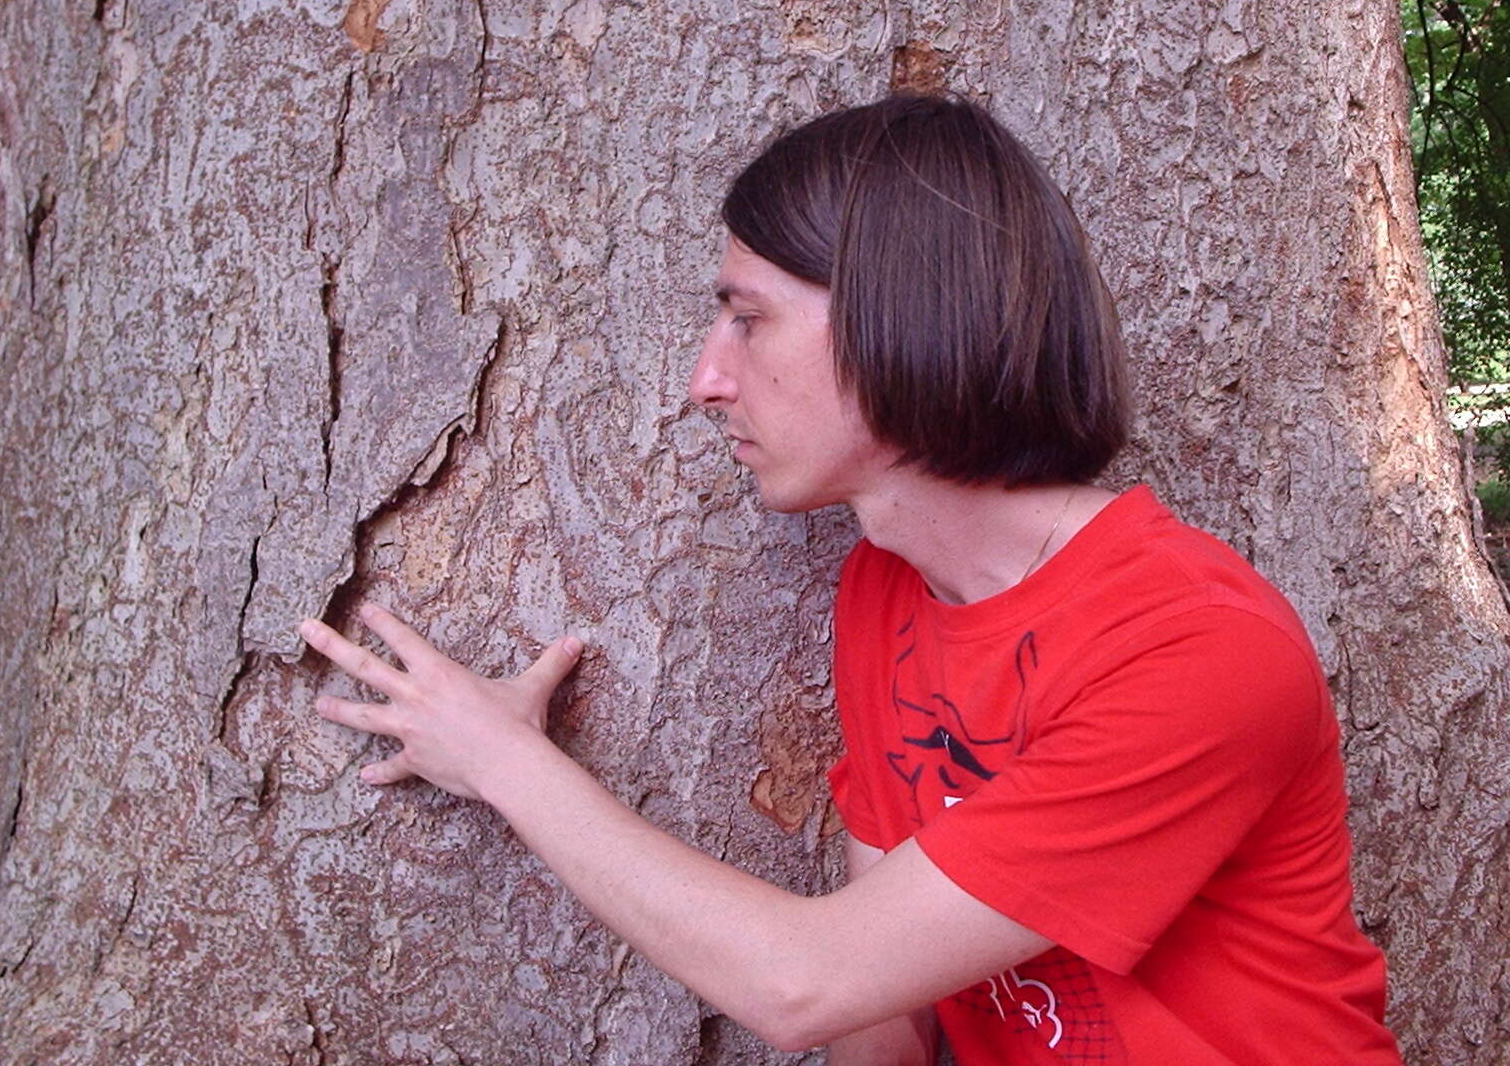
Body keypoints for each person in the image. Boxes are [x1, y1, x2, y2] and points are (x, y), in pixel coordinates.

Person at [301, 94, 1403, 1064]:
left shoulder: (1195, 648)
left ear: (900, 316)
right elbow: (883, 1007)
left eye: (747, 317)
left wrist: (499, 757)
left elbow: (805, 983)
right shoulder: (888, 588)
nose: (705, 379)